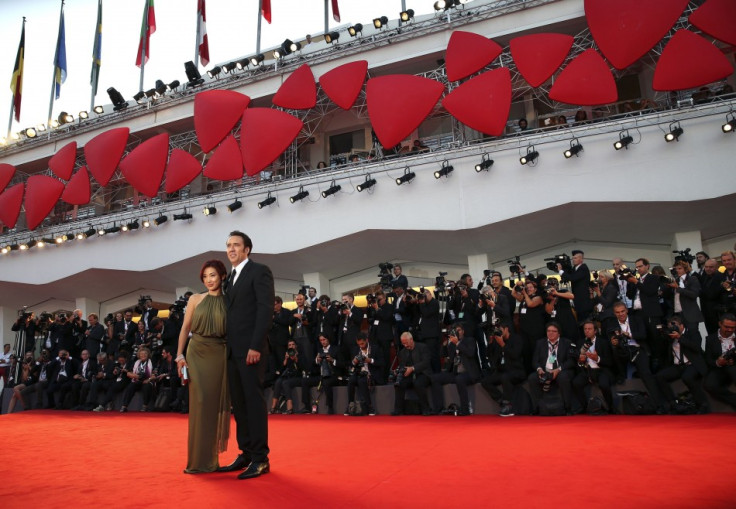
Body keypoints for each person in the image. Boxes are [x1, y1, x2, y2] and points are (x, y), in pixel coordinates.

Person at [218, 231, 274, 480]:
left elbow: (264, 311)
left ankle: (261, 458)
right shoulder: (229, 279)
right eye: (228, 245)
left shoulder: (259, 271)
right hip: (232, 352)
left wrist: (255, 346)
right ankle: (247, 453)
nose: (231, 249)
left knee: (253, 403)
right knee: (239, 406)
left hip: (251, 350)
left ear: (247, 249)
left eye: (236, 245)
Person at [175, 259, 230, 474]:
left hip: (220, 354)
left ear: (222, 276)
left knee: (213, 406)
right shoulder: (195, 299)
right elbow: (184, 328)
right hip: (196, 353)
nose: (209, 280)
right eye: (205, 276)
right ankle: (198, 460)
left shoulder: (229, 301)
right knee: (200, 402)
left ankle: (211, 460)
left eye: (213, 275)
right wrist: (179, 356)